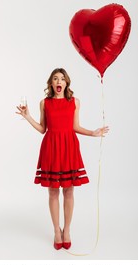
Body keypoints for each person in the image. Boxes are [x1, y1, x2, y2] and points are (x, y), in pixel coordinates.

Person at [16, 68, 109, 250]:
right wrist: (27, 117)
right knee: (52, 192)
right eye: (55, 79)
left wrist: (93, 132)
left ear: (67, 83)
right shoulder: (44, 103)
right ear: (51, 83)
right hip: (51, 147)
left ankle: (66, 230)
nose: (59, 82)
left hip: (69, 147)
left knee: (68, 191)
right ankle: (56, 232)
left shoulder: (75, 102)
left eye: (62, 79)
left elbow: (75, 127)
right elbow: (43, 128)